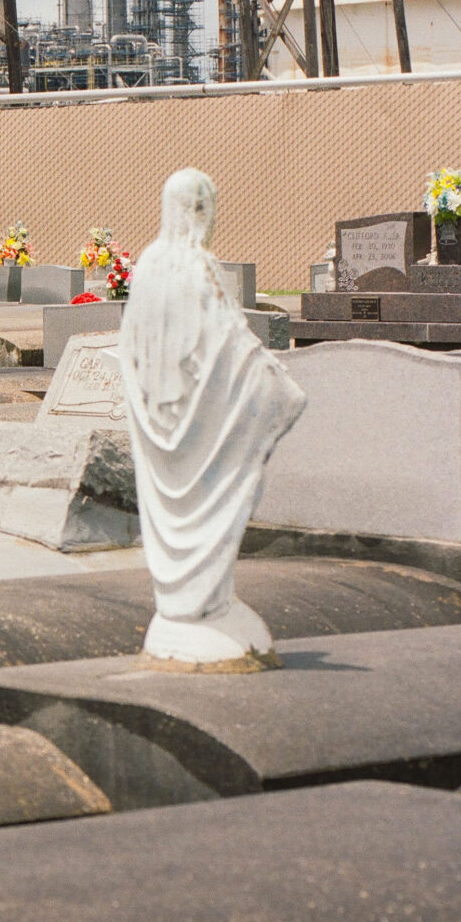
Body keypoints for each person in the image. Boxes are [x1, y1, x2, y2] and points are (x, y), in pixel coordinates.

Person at [118, 168, 305, 666]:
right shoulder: (197, 266)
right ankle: (202, 608)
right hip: (199, 422)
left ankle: (193, 605)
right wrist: (276, 385)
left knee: (185, 509)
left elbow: (130, 348)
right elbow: (229, 341)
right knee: (221, 489)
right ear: (199, 211)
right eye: (210, 209)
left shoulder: (148, 264)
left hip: (161, 418)